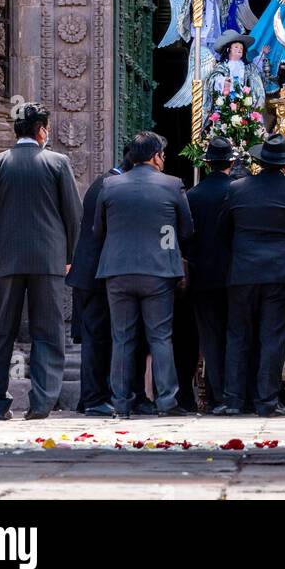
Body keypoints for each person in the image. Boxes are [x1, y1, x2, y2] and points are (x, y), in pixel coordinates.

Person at [0, 102, 82, 421]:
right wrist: (70, 257)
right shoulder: (58, 162)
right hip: (49, 261)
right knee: (48, 331)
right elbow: (73, 216)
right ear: (42, 130)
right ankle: (42, 402)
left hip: (6, 262)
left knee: (2, 331)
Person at [216, 133, 285, 417]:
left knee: (238, 335)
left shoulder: (237, 189)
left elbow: (222, 231)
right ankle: (267, 401)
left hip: (243, 272)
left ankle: (234, 399)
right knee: (272, 338)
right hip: (280, 273)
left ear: (260, 161)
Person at [94, 130, 193, 417]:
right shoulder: (173, 185)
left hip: (118, 271)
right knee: (160, 336)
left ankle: (122, 403)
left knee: (122, 338)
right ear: (155, 157)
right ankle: (167, 401)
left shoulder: (110, 185)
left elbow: (98, 231)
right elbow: (187, 230)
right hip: (158, 272)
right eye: (162, 154)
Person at [67, 144, 134, 417]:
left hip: (92, 272)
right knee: (96, 338)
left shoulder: (105, 182)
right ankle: (94, 398)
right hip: (94, 273)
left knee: (97, 336)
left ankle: (91, 396)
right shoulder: (110, 185)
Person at [186, 137, 236, 411]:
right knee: (237, 334)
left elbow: (186, 235)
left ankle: (217, 397)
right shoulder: (238, 191)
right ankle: (237, 392)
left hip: (202, 275)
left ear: (207, 164)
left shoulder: (193, 195)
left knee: (211, 337)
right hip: (234, 274)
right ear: (232, 162)